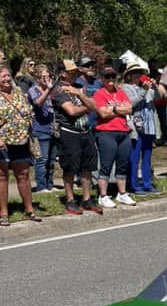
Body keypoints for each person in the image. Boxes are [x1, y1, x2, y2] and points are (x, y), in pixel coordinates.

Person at [50, 60, 102, 215]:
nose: (75, 74)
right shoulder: (58, 89)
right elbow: (71, 111)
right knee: (70, 167)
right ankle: (70, 200)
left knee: (88, 167)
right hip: (69, 133)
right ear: (63, 73)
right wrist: (88, 106)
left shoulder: (79, 87)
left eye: (76, 72)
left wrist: (80, 94)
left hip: (85, 131)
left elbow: (95, 107)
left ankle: (86, 199)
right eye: (71, 71)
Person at [0, 63, 42, 225]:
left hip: (22, 140)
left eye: (7, 75)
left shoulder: (18, 92)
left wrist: (30, 120)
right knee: (2, 178)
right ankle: (3, 213)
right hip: (3, 142)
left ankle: (29, 209)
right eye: (2, 76)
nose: (6, 78)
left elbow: (29, 110)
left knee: (23, 175)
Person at [93, 65, 135, 208]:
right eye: (107, 77)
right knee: (106, 165)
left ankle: (122, 193)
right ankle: (103, 195)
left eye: (113, 76)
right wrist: (119, 109)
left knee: (122, 164)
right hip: (106, 132)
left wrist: (113, 109)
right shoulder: (99, 93)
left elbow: (129, 109)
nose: (111, 79)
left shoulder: (121, 92)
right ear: (102, 79)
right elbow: (102, 113)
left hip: (123, 132)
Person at [122, 61, 160, 196]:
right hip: (136, 126)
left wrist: (154, 87)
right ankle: (133, 185)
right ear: (129, 75)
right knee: (134, 156)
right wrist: (143, 90)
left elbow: (158, 98)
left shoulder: (147, 87)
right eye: (135, 73)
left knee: (147, 156)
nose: (139, 75)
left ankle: (147, 184)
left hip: (149, 125)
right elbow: (131, 103)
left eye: (141, 73)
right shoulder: (126, 87)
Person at [28, 64, 58, 193]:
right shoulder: (33, 90)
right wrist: (47, 91)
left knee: (51, 161)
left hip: (52, 129)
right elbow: (37, 103)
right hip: (40, 129)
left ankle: (50, 185)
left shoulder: (52, 90)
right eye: (43, 77)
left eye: (48, 76)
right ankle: (41, 186)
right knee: (42, 160)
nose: (46, 79)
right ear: (37, 78)